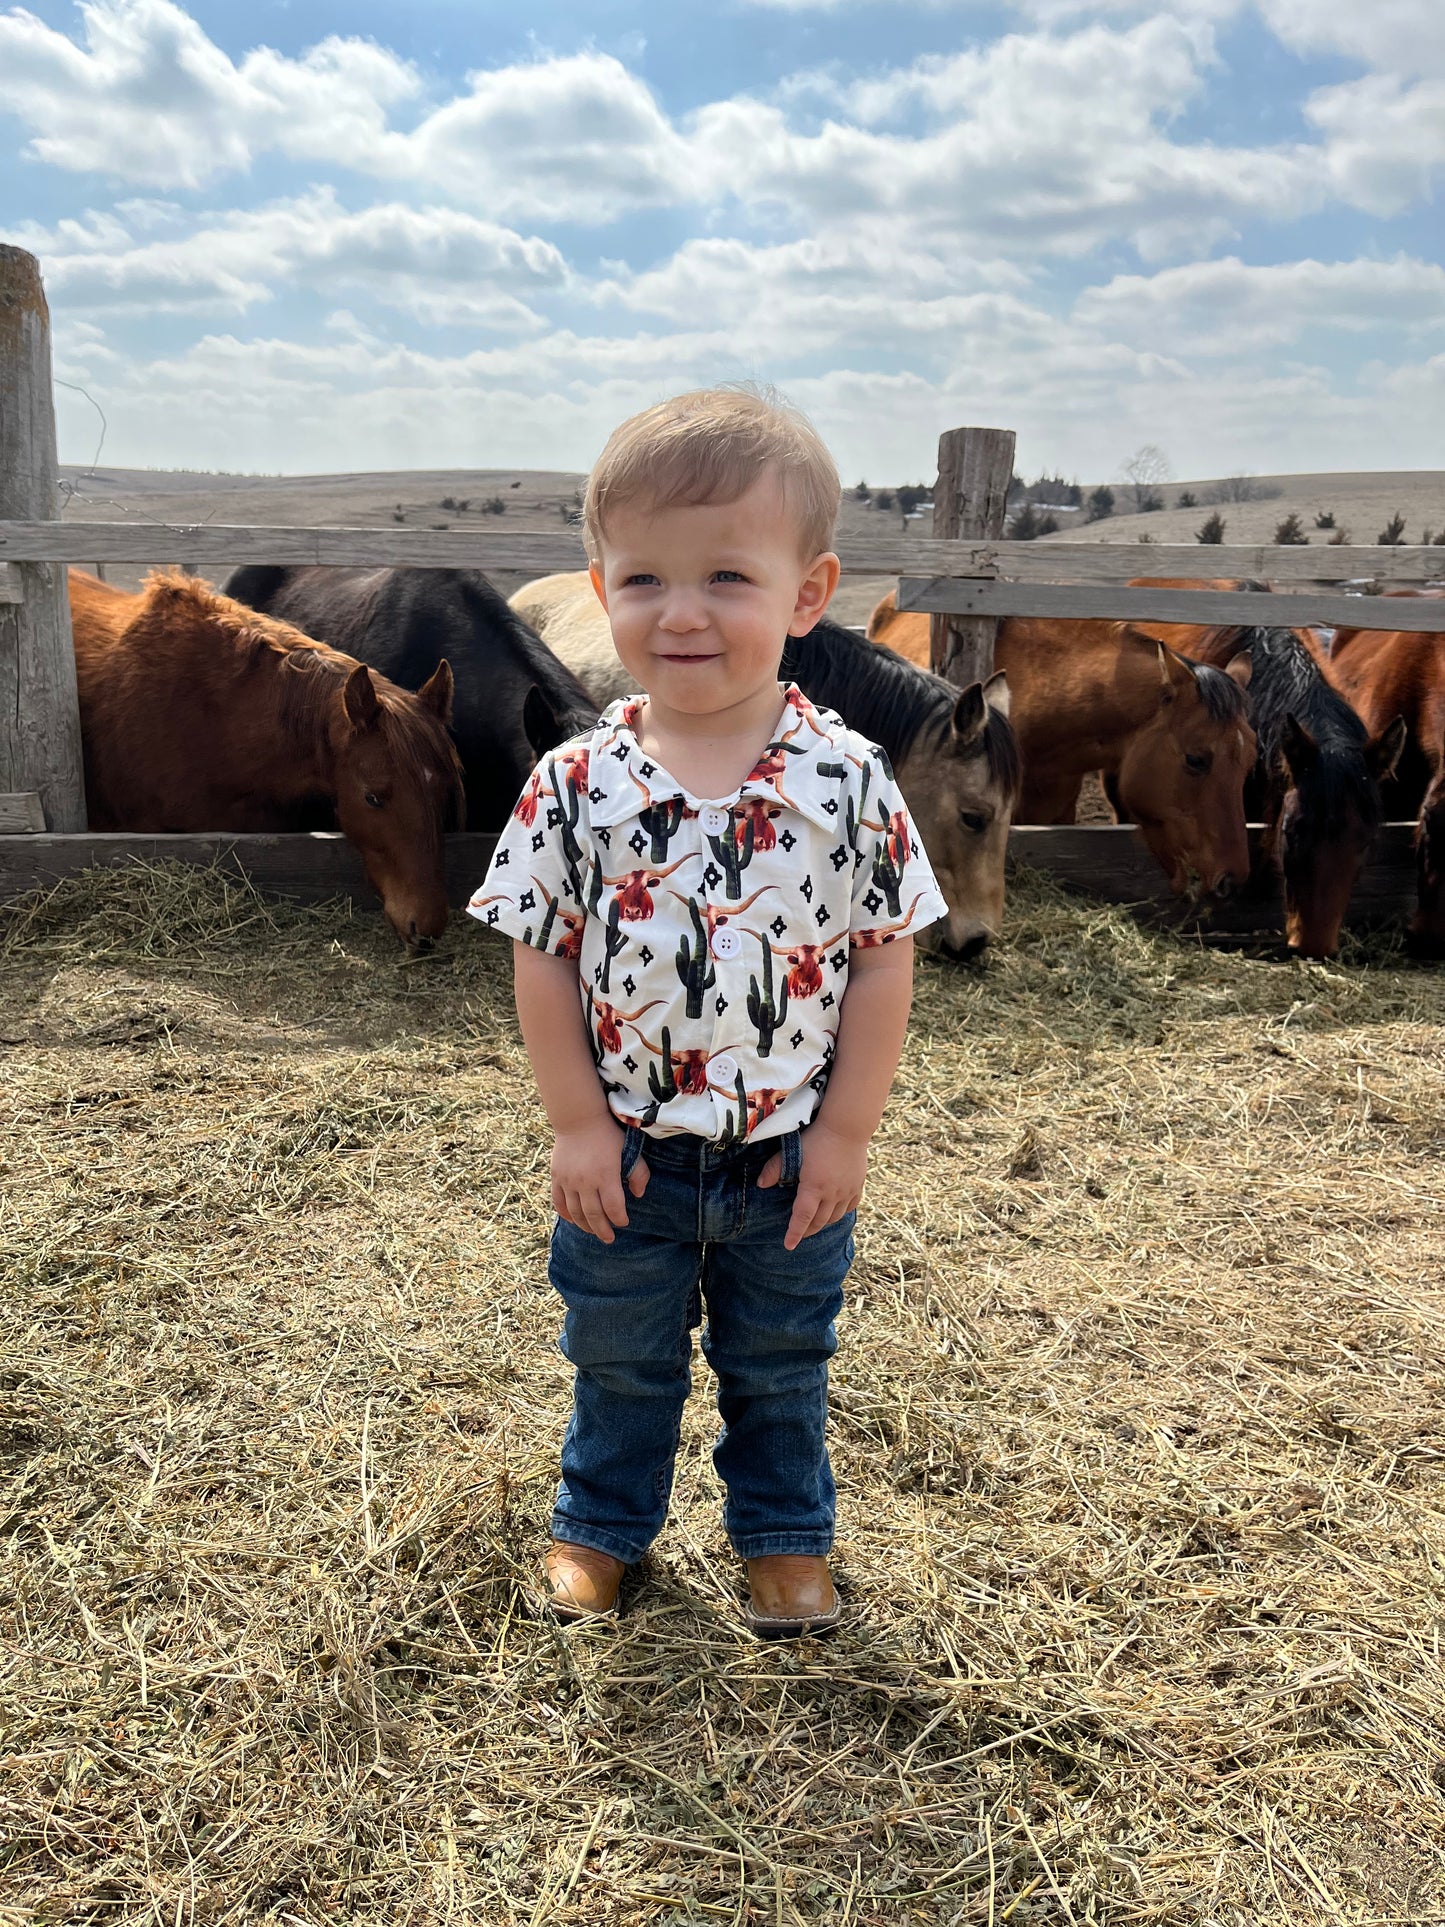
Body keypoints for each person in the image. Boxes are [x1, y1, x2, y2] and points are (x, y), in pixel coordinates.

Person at [469, 386, 945, 1636]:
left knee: (779, 1365)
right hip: (624, 1159)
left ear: (806, 593)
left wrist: (841, 1135)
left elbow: (884, 959)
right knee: (618, 1359)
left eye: (726, 575)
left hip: (786, 1161)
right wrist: (575, 1124)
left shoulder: (847, 785)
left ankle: (784, 1542)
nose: (681, 612)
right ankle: (599, 1529)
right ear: (600, 584)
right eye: (645, 580)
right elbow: (542, 954)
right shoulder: (573, 784)